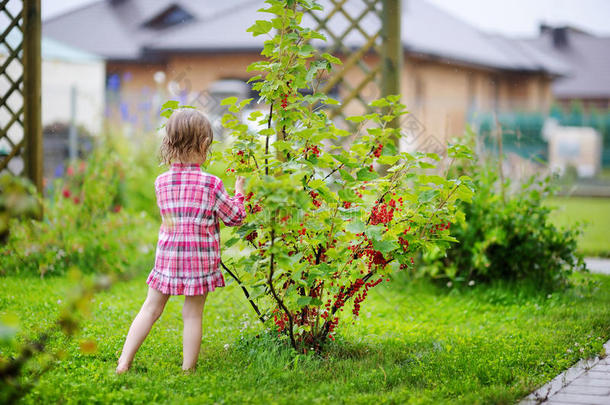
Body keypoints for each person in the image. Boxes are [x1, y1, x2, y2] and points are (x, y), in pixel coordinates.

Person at [116, 108, 246, 374]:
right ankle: (187, 370)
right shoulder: (212, 183)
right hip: (199, 260)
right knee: (192, 315)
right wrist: (240, 194)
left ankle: (124, 362)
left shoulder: (160, 182)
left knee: (150, 308)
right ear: (204, 144)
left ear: (169, 143)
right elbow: (234, 218)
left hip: (168, 257)